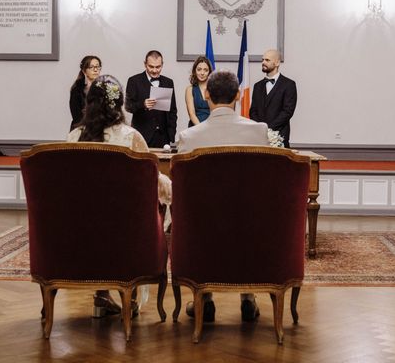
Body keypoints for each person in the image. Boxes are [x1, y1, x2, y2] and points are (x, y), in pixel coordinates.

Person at [67, 74, 172, 316]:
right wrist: (173, 190)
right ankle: (131, 298)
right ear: (118, 103)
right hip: (124, 229)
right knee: (137, 215)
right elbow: (151, 180)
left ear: (89, 103)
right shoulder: (129, 137)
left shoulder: (74, 137)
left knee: (97, 215)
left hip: (82, 228)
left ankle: (102, 294)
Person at [177, 70, 269, 322]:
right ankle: (248, 297)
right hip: (247, 224)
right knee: (246, 219)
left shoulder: (189, 137)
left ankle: (204, 298)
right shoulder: (259, 132)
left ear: (206, 95)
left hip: (203, 227)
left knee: (203, 222)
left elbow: (182, 190)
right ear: (238, 96)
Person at [125, 50, 178, 148]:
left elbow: (172, 110)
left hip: (163, 137)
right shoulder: (134, 81)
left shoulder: (168, 82)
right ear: (145, 64)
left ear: (162, 65)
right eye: (151, 66)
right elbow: (128, 106)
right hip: (141, 135)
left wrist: (171, 134)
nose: (154, 70)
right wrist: (143, 104)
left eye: (158, 67)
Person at [249, 49, 297, 148]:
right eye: (262, 60)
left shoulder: (289, 84)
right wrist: (260, 128)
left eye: (267, 60)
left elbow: (287, 111)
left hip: (280, 137)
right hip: (259, 137)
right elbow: (253, 111)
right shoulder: (257, 86)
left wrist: (269, 129)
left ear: (277, 63)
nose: (263, 62)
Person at [69, 55, 101, 130]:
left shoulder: (105, 87)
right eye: (91, 67)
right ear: (84, 71)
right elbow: (76, 116)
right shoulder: (77, 89)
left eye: (97, 66)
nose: (95, 70)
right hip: (81, 129)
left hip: (101, 129)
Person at [185, 56, 213, 127]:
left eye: (205, 70)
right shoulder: (190, 89)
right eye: (199, 69)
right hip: (195, 128)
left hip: (212, 128)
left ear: (209, 72)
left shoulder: (214, 89)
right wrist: (201, 129)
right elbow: (191, 114)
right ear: (195, 70)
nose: (202, 73)